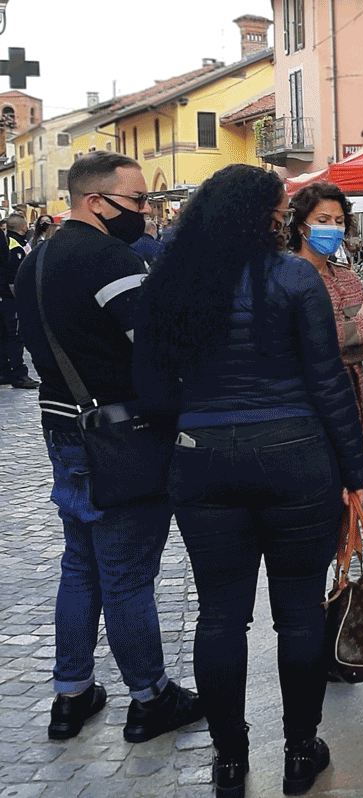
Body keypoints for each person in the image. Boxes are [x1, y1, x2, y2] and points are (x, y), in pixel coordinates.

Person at [133, 164, 363, 798]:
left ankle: (230, 761)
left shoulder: (174, 279)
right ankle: (299, 752)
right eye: (281, 207)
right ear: (265, 216)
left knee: (220, 616)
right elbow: (328, 382)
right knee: (298, 614)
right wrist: (356, 471)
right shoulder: (293, 276)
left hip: (205, 461)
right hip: (296, 458)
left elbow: (152, 392)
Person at [14, 152, 203, 745]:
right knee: (125, 574)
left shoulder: (36, 258)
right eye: (137, 201)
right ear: (97, 201)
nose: (145, 212)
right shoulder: (108, 259)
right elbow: (156, 349)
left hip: (63, 429)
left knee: (80, 563)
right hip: (119, 437)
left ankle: (71, 695)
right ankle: (150, 697)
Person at [288, 181, 363, 453]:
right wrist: (357, 328)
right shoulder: (286, 276)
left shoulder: (347, 276)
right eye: (323, 220)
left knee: (357, 487)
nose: (332, 227)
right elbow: (300, 346)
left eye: (339, 221)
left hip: (353, 407)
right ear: (300, 225)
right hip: (306, 412)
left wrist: (332, 341)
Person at [2, 213, 39, 388]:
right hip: (11, 301)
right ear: (24, 228)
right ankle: (19, 374)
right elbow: (13, 278)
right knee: (15, 338)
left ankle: (5, 372)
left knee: (5, 337)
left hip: (5, 299)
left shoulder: (10, 242)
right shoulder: (14, 245)